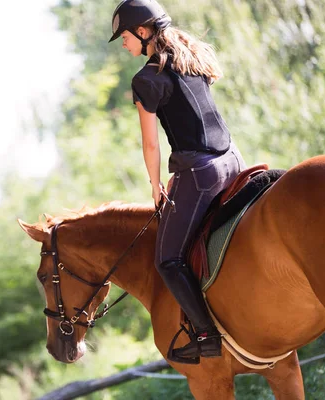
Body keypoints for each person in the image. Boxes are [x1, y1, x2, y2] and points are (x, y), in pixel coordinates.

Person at [109, 0, 247, 364]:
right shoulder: (191, 58)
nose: (123, 44)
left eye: (124, 36)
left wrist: (155, 186)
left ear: (142, 32)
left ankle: (206, 335)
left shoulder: (146, 79)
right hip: (234, 159)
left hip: (202, 174)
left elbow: (151, 143)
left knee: (168, 259)